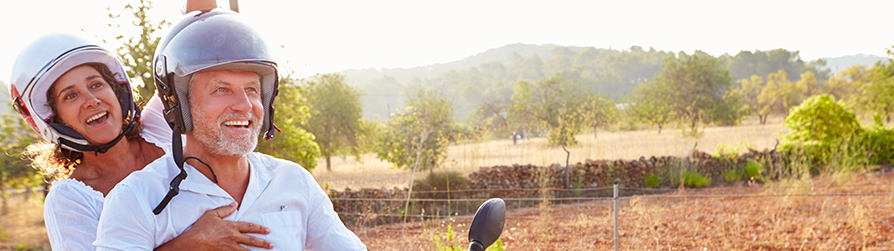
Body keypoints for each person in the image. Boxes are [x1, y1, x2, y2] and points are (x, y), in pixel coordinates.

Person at [93, 8, 366, 250]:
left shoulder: (294, 181)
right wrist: (186, 246)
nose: (244, 104)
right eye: (222, 89)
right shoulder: (136, 198)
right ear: (180, 104)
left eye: (252, 89)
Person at [8, 4, 273, 251]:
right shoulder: (70, 198)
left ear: (117, 91)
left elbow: (194, 34)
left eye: (96, 84)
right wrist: (190, 243)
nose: (91, 101)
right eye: (71, 96)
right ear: (55, 119)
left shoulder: (159, 126)